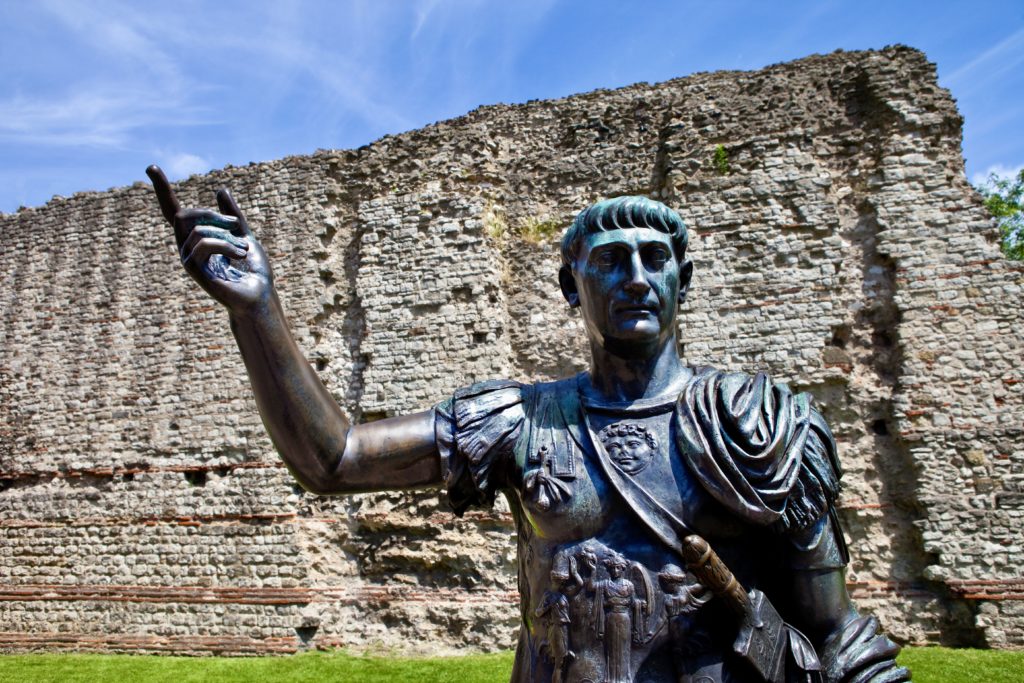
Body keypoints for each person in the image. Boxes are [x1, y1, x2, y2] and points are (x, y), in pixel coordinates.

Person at [147, 165, 909, 683]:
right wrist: (258, 312)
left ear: (685, 279)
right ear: (572, 288)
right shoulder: (519, 420)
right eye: (609, 260)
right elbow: (336, 458)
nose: (635, 277)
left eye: (654, 258)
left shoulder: (760, 422)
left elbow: (837, 635)